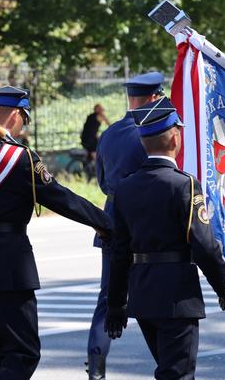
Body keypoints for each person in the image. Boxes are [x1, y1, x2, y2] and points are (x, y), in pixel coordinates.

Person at [0, 85, 112, 380]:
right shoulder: (18, 158)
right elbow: (61, 199)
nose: (25, 123)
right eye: (25, 117)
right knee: (22, 352)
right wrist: (105, 222)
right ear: (15, 114)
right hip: (6, 266)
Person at [105, 97, 225, 379]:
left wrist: (116, 303)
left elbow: (119, 252)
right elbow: (204, 246)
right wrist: (221, 284)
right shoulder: (184, 184)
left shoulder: (125, 188)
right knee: (178, 374)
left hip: (143, 294)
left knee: (170, 370)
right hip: (177, 296)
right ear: (175, 137)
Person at [85, 72, 164, 379]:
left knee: (108, 296)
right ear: (155, 97)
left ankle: (96, 364)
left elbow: (103, 181)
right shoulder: (155, 131)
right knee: (154, 293)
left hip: (113, 216)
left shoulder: (111, 133)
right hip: (145, 217)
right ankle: (168, 362)